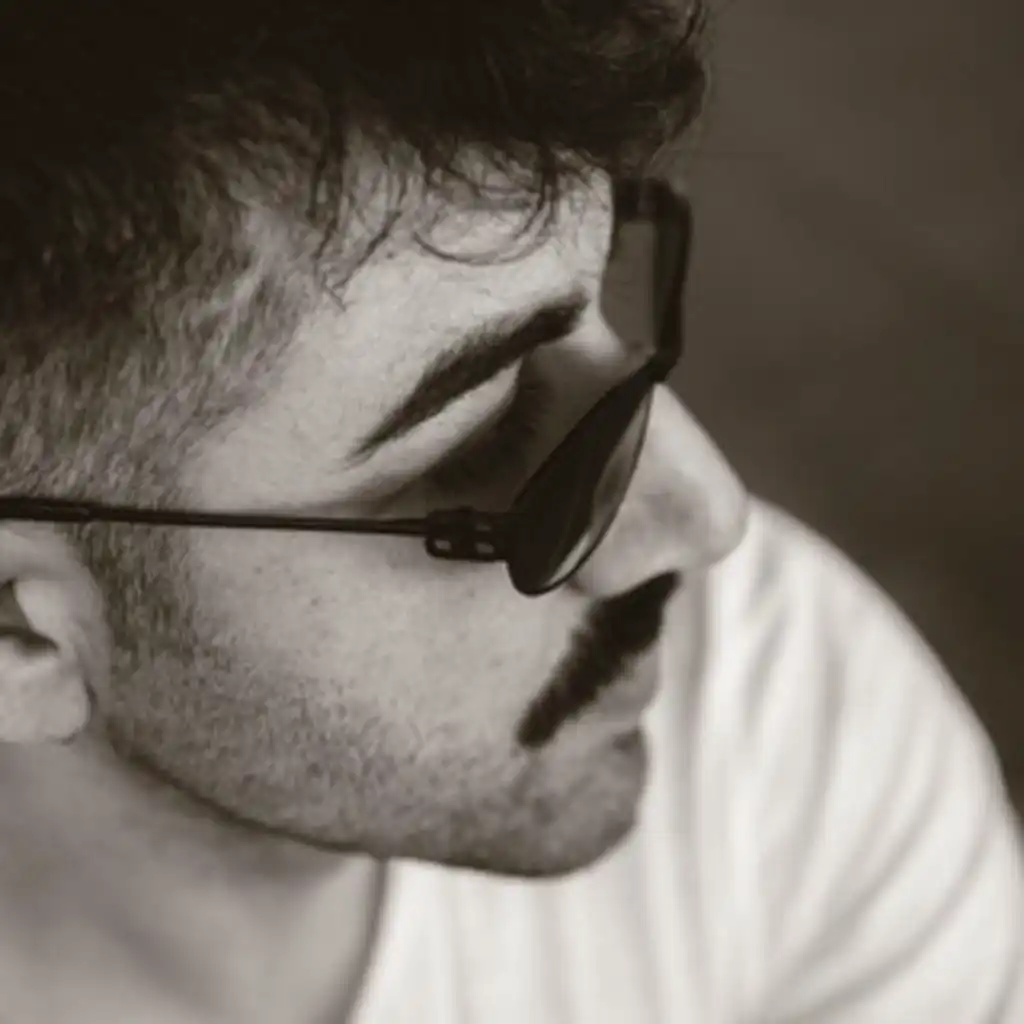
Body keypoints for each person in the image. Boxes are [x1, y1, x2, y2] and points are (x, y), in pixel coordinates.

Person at [0, 1, 1021, 1021]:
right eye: (485, 443)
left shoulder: (765, 711)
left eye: (610, 306)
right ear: (20, 629)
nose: (709, 518)